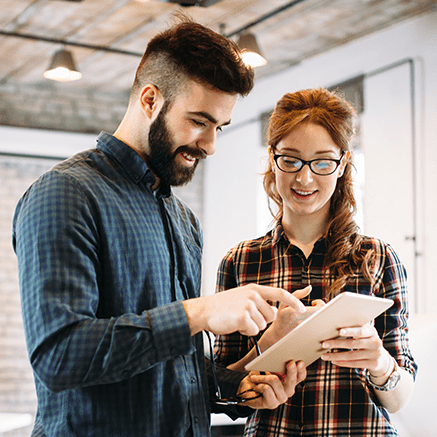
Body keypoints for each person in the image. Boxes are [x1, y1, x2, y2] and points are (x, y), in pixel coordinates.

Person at [12, 18, 311, 437]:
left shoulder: (183, 220)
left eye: (218, 128)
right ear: (150, 100)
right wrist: (200, 312)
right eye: (198, 121)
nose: (209, 145)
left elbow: (173, 372)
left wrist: (242, 383)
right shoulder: (65, 195)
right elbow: (60, 356)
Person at [213, 87, 418, 436]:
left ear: (343, 163)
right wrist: (268, 347)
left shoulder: (378, 258)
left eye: (322, 162)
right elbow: (222, 388)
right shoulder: (241, 261)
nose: (304, 178)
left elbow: (400, 398)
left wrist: (379, 362)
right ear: (272, 157)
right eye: (290, 160)